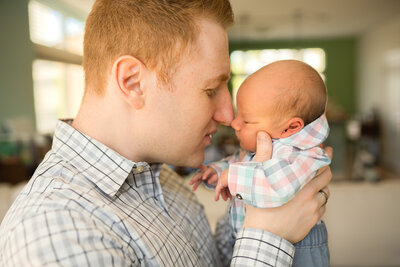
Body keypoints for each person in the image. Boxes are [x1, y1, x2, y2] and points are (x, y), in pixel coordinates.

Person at [0, 1, 332, 266]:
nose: (229, 114)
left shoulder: (164, 176)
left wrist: (258, 205)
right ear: (133, 82)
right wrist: (269, 230)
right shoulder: (55, 235)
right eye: (210, 88)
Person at [190, 60, 332, 266]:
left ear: (290, 127)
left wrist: (233, 176)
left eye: (246, 121)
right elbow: (243, 162)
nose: (234, 123)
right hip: (252, 241)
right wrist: (219, 171)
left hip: (300, 250)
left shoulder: (301, 154)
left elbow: (277, 186)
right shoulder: (267, 141)